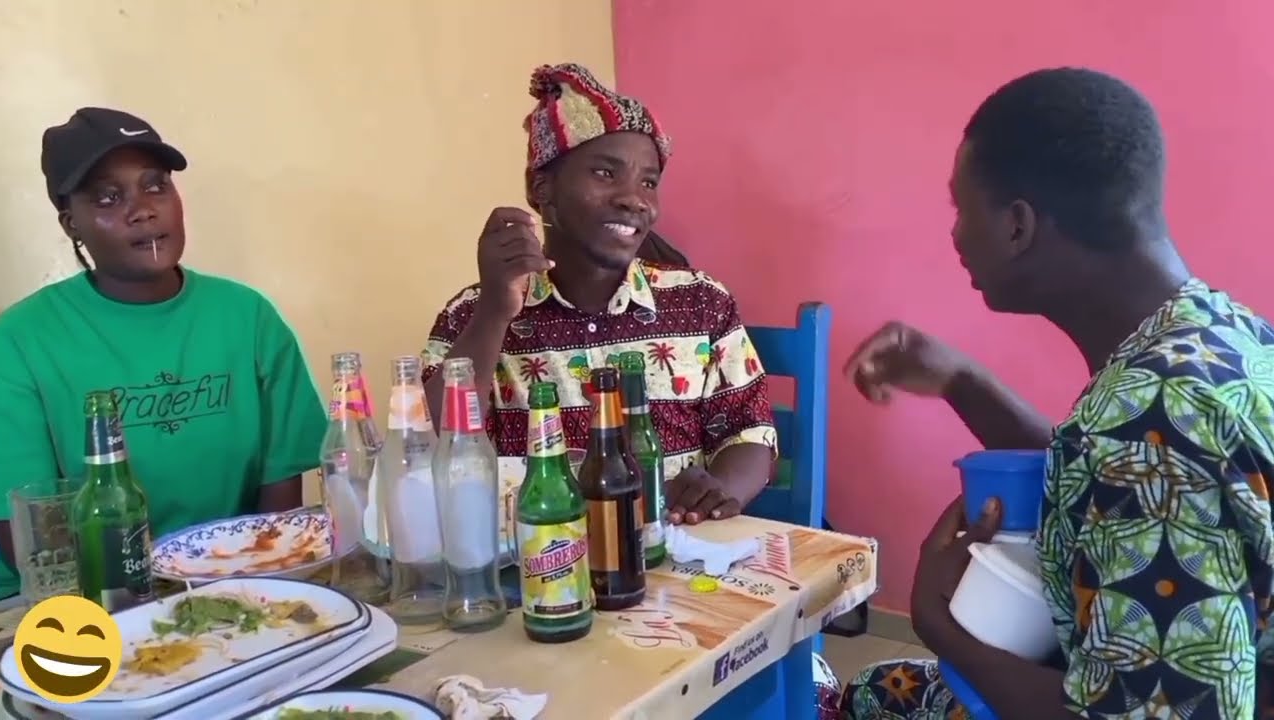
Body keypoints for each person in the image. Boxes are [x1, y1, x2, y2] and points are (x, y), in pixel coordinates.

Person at [838, 68, 1274, 719]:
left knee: (878, 698)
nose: (955, 235)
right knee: (885, 686)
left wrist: (939, 624)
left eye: (962, 209)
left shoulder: (1152, 429)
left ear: (1017, 226)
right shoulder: (1219, 334)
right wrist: (963, 380)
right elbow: (1112, 470)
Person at [420, 63, 777, 525]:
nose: (636, 199)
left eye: (648, 182)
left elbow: (750, 432)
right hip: (540, 563)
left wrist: (715, 493)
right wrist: (493, 313)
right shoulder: (472, 313)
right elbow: (428, 450)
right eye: (606, 173)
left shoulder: (700, 302)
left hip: (675, 557)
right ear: (540, 188)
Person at [0, 107, 328, 600]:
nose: (143, 209)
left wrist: (239, 591)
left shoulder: (248, 317)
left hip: (225, 585)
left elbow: (275, 514)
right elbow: (31, 535)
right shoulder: (20, 339)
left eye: (156, 186)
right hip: (83, 597)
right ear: (72, 224)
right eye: (109, 197)